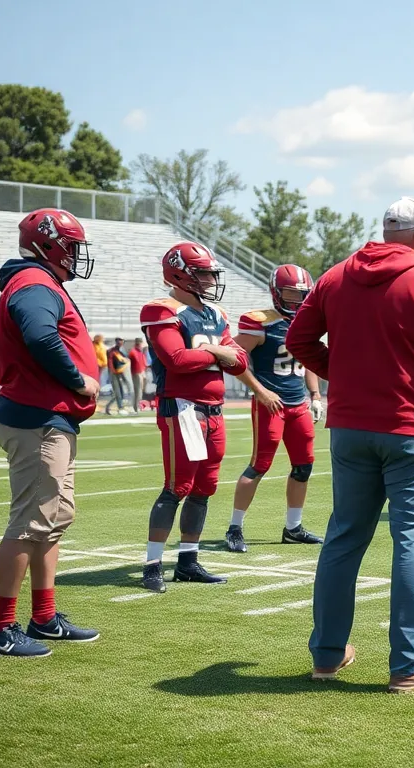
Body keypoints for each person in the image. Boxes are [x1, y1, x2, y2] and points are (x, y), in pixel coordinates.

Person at [286, 196, 414, 693]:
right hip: (413, 429)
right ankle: (408, 664)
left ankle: (327, 655)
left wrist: (346, 378)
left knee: (344, 536)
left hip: (351, 429)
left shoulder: (334, 277)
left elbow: (300, 341)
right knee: (412, 539)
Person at [0, 208, 101, 657]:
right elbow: (41, 337)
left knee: (53, 518)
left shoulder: (37, 282)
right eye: (70, 247)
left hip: (49, 419)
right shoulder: (34, 284)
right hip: (38, 419)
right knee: (30, 522)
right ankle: (0, 630)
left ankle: (44, 617)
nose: (75, 256)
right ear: (48, 244)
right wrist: (78, 380)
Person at [139, 242, 249, 593]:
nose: (209, 279)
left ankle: (188, 560)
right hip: (182, 407)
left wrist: (209, 350)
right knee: (177, 487)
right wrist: (220, 353)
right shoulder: (162, 310)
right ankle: (153, 564)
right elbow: (177, 360)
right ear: (181, 274)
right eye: (202, 273)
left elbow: (242, 362)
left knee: (205, 487)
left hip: (213, 410)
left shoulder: (216, 314)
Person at [225, 264, 326, 552]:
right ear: (276, 292)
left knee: (304, 466)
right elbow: (233, 359)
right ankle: (234, 527)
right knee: (260, 465)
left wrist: (316, 395)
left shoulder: (307, 322)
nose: (296, 300)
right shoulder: (260, 322)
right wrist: (260, 390)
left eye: (301, 295)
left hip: (298, 404)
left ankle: (293, 527)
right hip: (271, 405)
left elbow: (308, 361)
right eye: (290, 294)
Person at [105, 338, 131, 415]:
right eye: (119, 341)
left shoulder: (121, 351)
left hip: (120, 373)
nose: (121, 342)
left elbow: (125, 360)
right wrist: (112, 373)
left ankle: (111, 407)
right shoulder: (112, 351)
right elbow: (110, 363)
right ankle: (120, 408)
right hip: (114, 373)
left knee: (121, 392)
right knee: (118, 392)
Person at [128, 337, 147, 414]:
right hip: (137, 372)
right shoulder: (133, 352)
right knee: (138, 390)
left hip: (142, 372)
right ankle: (137, 407)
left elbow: (143, 362)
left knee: (141, 390)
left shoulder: (140, 352)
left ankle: (138, 406)